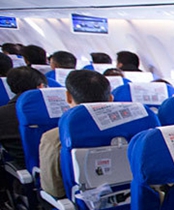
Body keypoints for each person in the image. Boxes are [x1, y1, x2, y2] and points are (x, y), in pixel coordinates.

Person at [39, 70, 113, 198]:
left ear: (67, 97)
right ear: (111, 98)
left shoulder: (54, 138)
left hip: (79, 209)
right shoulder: (138, 130)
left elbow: (53, 190)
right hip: (136, 203)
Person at [0, 67, 47, 165]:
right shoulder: (58, 112)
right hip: (56, 164)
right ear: (40, 87)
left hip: (22, 164)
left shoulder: (3, 113)